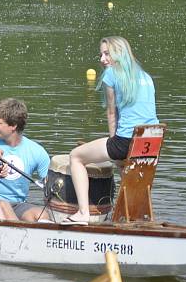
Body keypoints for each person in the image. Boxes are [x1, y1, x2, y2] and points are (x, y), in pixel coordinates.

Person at [65, 37, 158, 225]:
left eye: (107, 53)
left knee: (75, 156)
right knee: (128, 171)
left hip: (126, 141)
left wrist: (114, 147)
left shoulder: (111, 74)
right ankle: (136, 217)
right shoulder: (146, 77)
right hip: (152, 141)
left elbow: (111, 114)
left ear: (120, 54)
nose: (102, 58)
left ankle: (83, 214)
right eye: (101, 54)